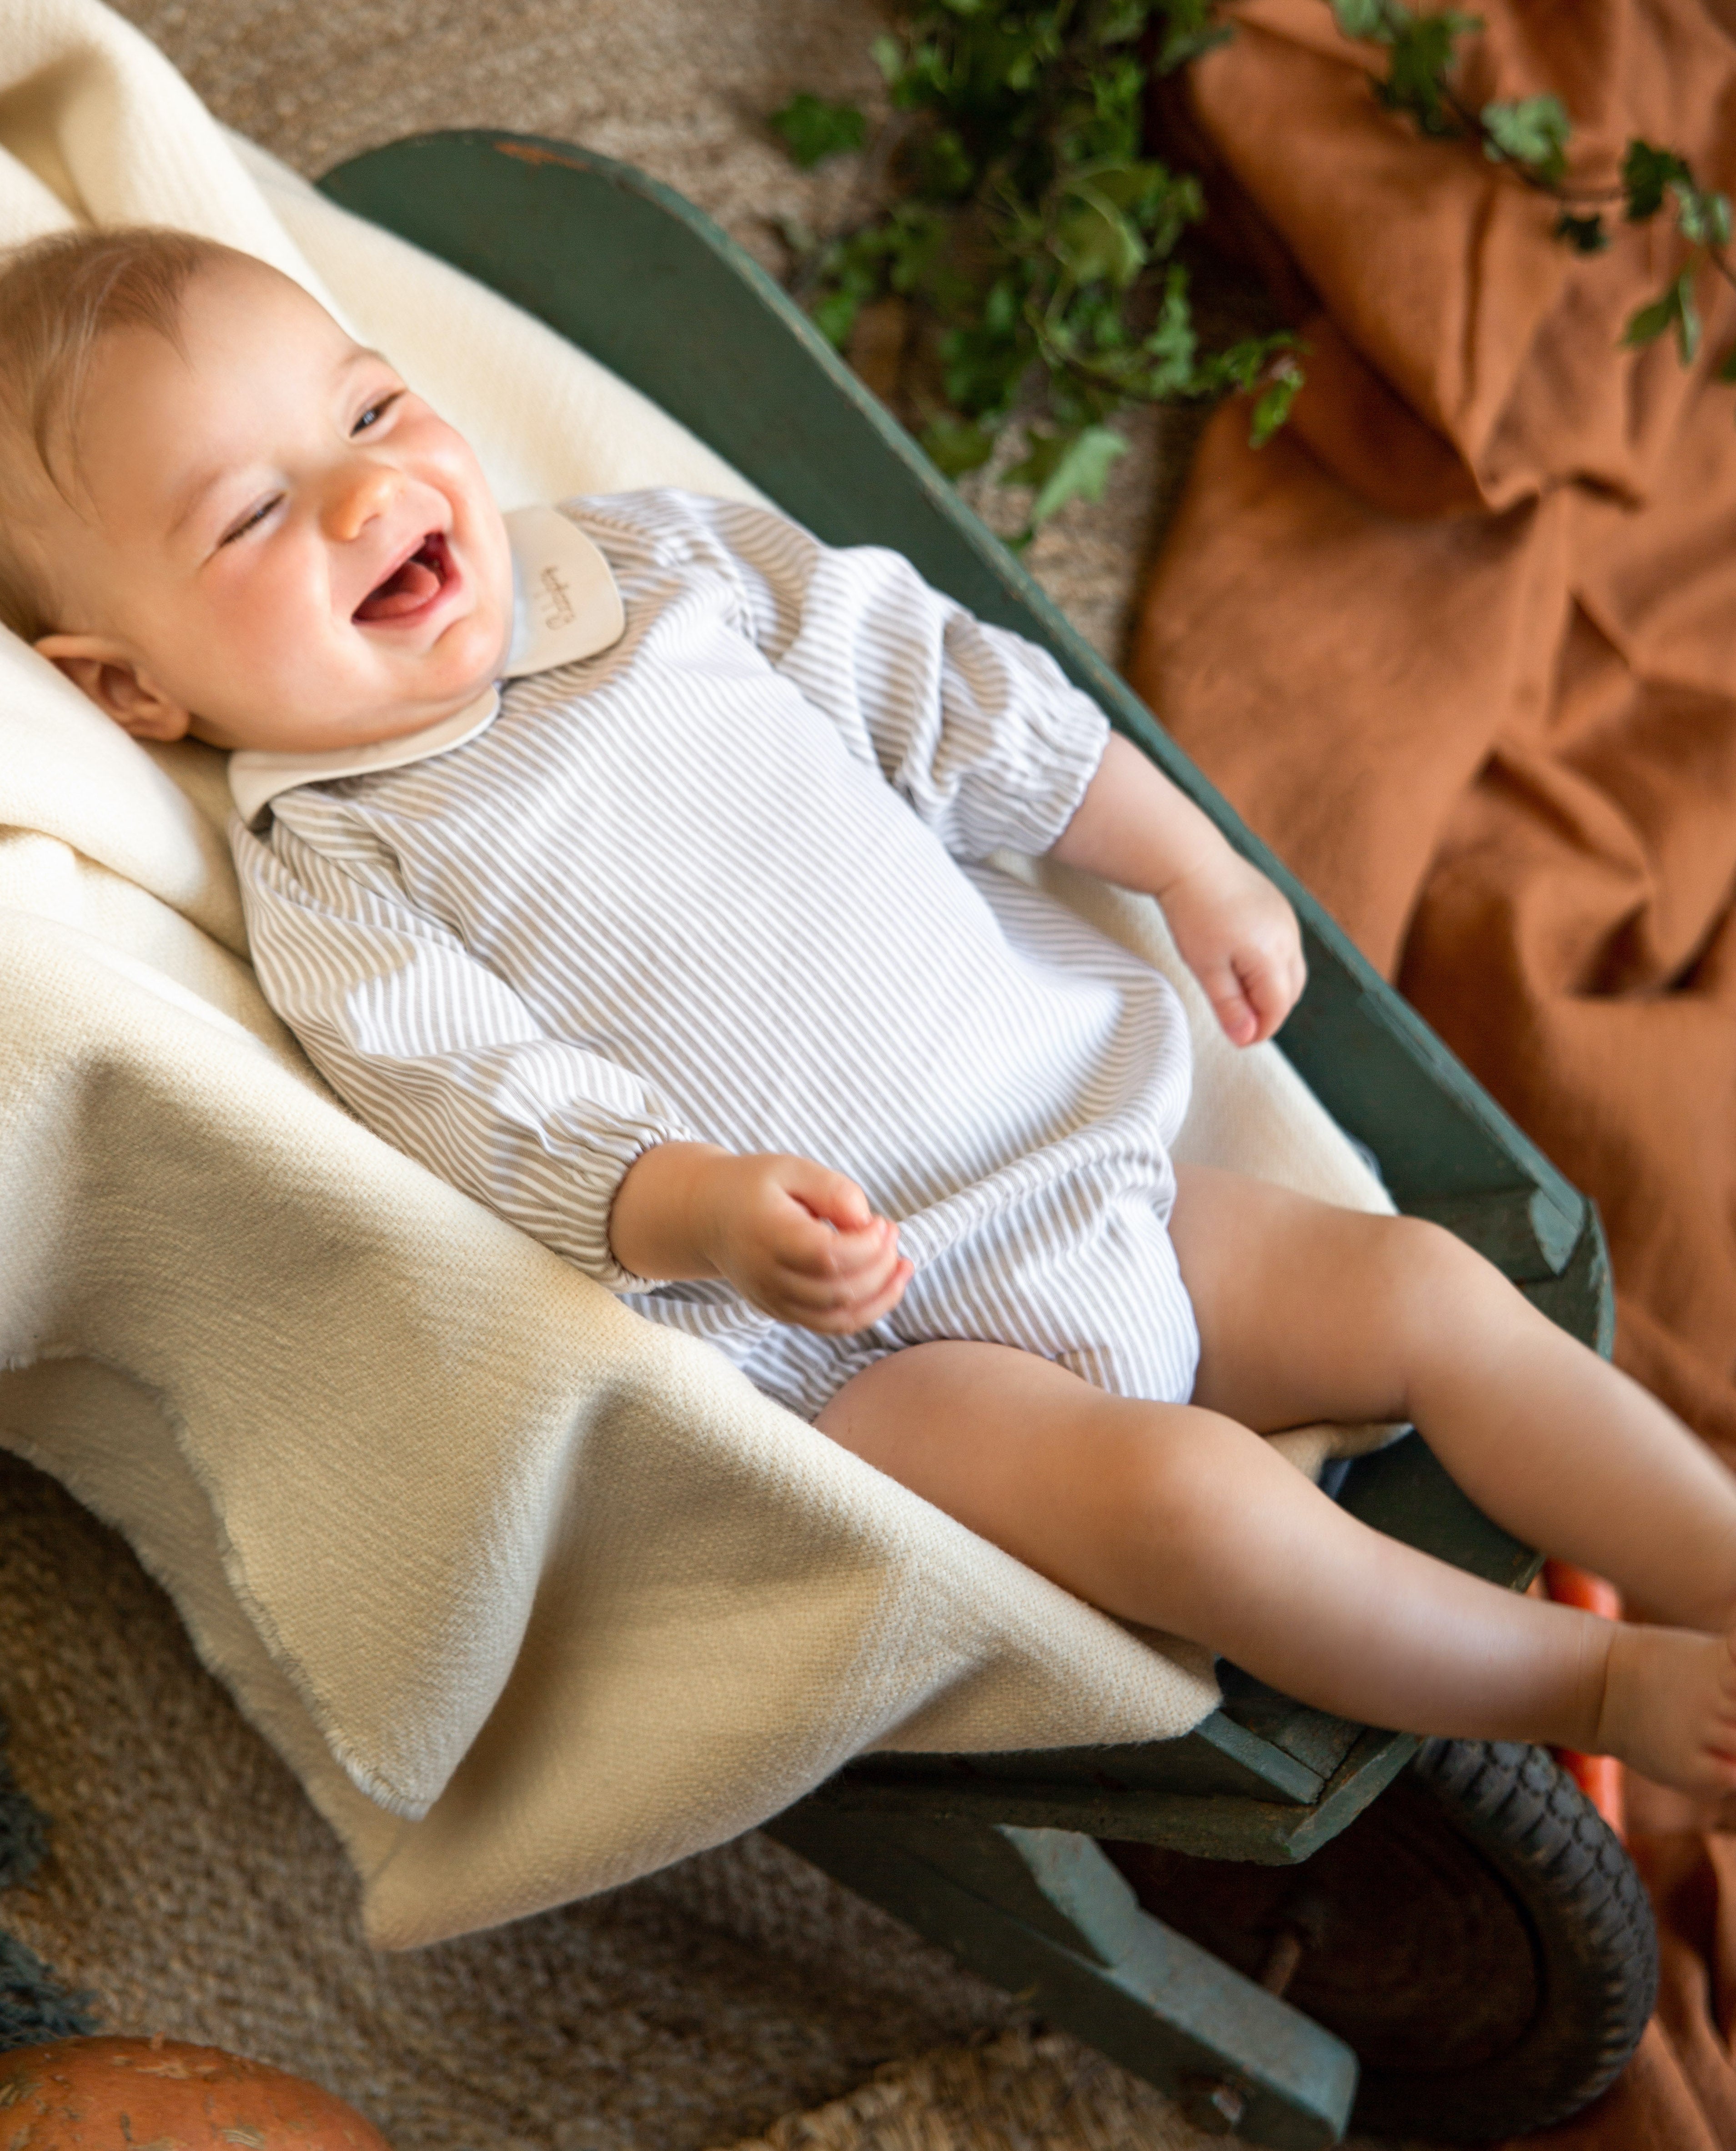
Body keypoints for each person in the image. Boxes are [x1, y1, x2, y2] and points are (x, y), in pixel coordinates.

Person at [7, 222, 1736, 1801]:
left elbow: (946, 691)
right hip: (878, 1344)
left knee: (1432, 1289)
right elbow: (477, 1098)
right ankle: (1593, 1678)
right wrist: (697, 1206)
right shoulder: (336, 858)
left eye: (372, 409)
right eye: (248, 515)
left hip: (1089, 1150)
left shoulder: (657, 567)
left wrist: (1183, 860)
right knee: (1196, 1510)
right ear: (129, 688)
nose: (366, 496)